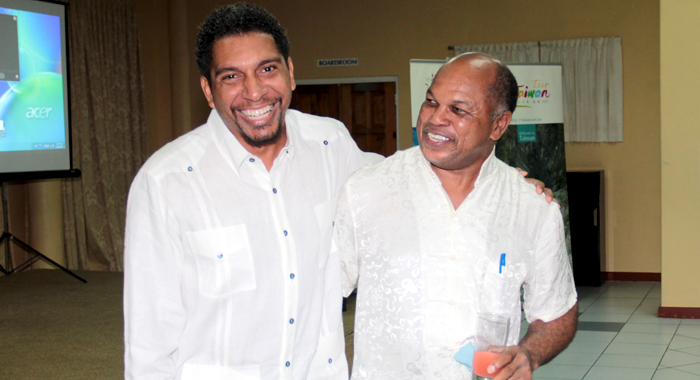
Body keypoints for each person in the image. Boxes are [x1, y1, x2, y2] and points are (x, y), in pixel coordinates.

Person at [123, 4, 381, 379]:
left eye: (267, 69)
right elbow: (149, 338)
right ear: (208, 91)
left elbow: (397, 191)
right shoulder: (166, 182)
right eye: (231, 76)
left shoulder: (331, 145)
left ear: (290, 72)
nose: (255, 92)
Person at [336, 53, 578, 380]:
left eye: (458, 110)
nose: (436, 118)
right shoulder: (367, 191)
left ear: (499, 125)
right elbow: (316, 295)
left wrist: (529, 354)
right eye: (431, 102)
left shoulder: (531, 208)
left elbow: (557, 312)